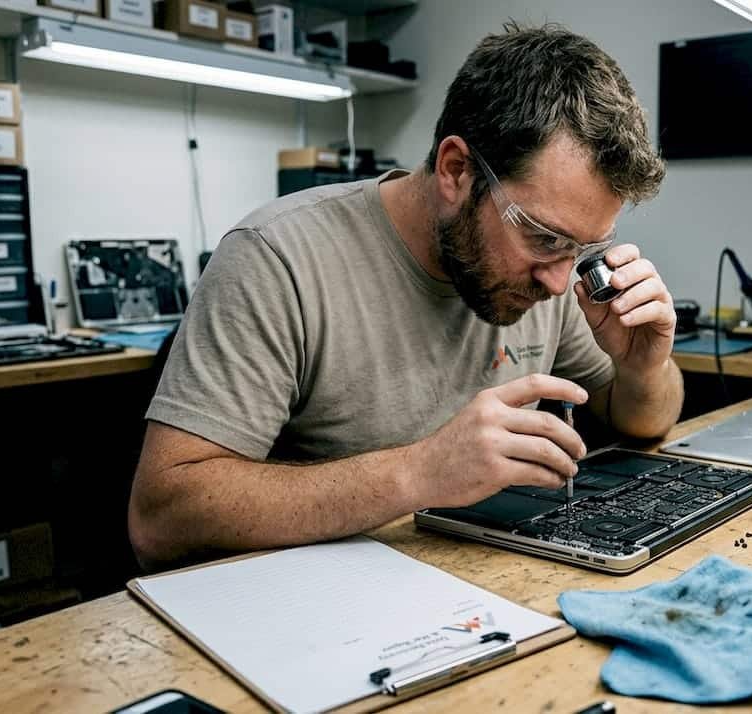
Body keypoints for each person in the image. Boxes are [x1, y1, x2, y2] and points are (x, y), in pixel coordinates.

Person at [129, 22, 683, 570]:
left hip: (477, 587)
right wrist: (419, 473)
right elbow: (159, 518)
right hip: (305, 611)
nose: (560, 282)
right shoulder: (278, 258)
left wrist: (643, 367)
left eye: (583, 249)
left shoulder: (544, 277)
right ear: (455, 170)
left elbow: (640, 420)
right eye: (543, 238)